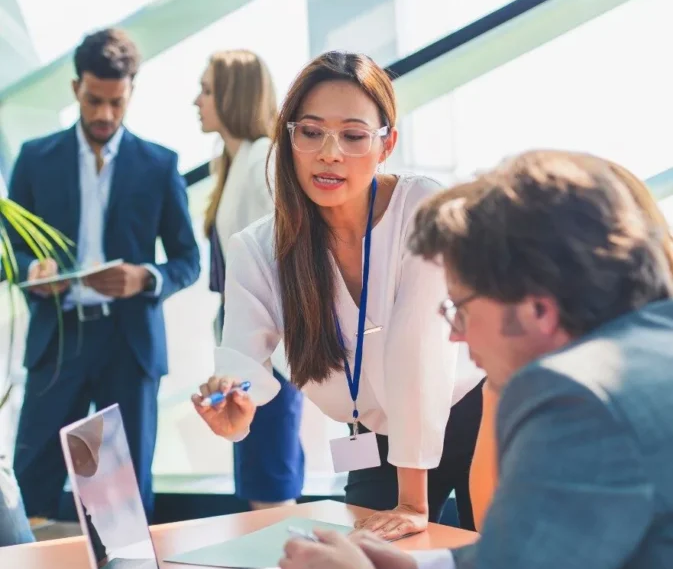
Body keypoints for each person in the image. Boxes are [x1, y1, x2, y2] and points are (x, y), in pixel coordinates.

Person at [279, 149, 673, 569]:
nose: (457, 335)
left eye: (460, 307)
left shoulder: (577, 401)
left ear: (537, 307)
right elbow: (563, 548)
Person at [193, 51, 483, 538]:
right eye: (311, 132)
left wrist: (413, 502)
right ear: (289, 138)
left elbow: (419, 351)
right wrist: (232, 413)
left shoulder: (421, 207)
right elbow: (242, 360)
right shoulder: (259, 249)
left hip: (472, 415)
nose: (330, 153)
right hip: (374, 438)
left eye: (352, 136)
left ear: (386, 144)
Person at [9, 28, 200, 519]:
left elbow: (187, 261)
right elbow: (11, 252)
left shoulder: (159, 165)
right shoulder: (34, 159)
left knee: (126, 499)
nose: (104, 115)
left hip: (128, 345)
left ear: (131, 92)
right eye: (94, 100)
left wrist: (145, 279)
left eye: (116, 102)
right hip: (58, 342)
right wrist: (35, 268)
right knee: (31, 483)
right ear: (76, 88)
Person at [195, 49, 304, 509]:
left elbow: (279, 263)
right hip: (247, 344)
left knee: (269, 477)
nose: (195, 101)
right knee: (260, 474)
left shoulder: (265, 160)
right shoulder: (235, 163)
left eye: (205, 90)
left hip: (269, 350)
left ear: (233, 97)